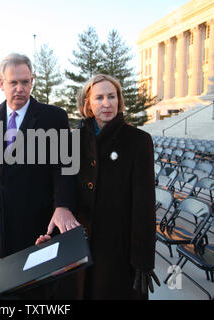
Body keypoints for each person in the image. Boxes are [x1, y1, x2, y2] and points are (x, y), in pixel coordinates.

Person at [0, 53, 79, 267]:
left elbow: (64, 167)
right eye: (14, 82)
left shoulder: (53, 117)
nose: (20, 88)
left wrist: (63, 205)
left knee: (34, 283)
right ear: (1, 83)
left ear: (32, 82)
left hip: (35, 221)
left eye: (25, 82)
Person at [71, 74, 160, 299]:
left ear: (119, 101)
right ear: (88, 105)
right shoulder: (73, 140)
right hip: (78, 245)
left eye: (112, 96)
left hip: (118, 248)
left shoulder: (139, 141)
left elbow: (145, 203)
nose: (107, 103)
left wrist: (143, 259)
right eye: (99, 97)